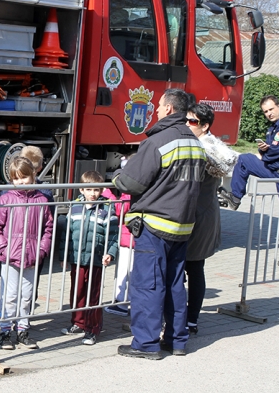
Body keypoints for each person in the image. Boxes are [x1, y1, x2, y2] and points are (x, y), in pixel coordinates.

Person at [112, 88, 206, 359]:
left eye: (158, 105)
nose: (154, 109)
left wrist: (118, 173)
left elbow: (131, 183)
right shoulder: (193, 142)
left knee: (148, 286)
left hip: (155, 226)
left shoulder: (158, 142)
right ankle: (177, 341)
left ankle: (145, 343)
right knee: (175, 285)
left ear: (168, 109)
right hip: (182, 226)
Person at [219, 95, 279, 267]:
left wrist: (266, 153)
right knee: (245, 160)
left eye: (271, 109)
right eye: (265, 111)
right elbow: (271, 151)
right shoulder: (274, 128)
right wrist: (264, 151)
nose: (269, 113)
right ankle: (235, 196)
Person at [185, 103, 239, 334]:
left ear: (205, 126)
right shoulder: (199, 144)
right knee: (185, 268)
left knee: (194, 268)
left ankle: (190, 319)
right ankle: (184, 317)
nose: (188, 124)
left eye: (193, 121)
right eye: (186, 120)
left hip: (200, 216)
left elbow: (226, 166)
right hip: (192, 214)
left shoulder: (208, 149)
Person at [0, 156, 53, 350]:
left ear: (33, 175)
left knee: (26, 296)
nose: (20, 182)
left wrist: (42, 250)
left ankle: (23, 329)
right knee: (9, 296)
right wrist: (3, 249)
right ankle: (5, 330)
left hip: (32, 256)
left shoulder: (42, 200)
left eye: (24, 177)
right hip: (10, 256)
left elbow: (48, 228)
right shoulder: (6, 199)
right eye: (16, 178)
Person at [59, 170, 119, 346]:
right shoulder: (74, 207)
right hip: (77, 258)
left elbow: (113, 235)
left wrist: (110, 252)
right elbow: (66, 234)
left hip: (96, 259)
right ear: (81, 190)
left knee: (93, 295)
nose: (93, 194)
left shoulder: (106, 210)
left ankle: (92, 329)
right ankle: (78, 322)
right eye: (89, 189)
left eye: (97, 190)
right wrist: (63, 255)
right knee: (77, 292)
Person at [102, 154, 134, 318]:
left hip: (128, 238)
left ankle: (120, 304)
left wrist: (109, 196)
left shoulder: (129, 191)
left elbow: (121, 210)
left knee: (124, 272)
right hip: (134, 238)